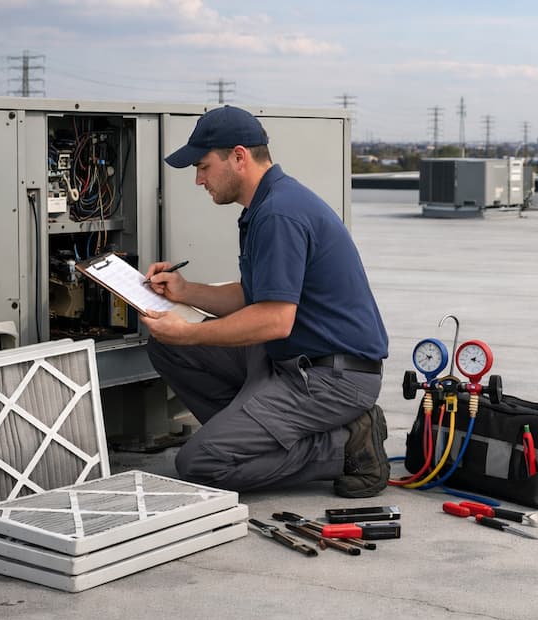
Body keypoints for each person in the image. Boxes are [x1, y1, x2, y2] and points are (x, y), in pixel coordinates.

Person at [140, 105, 390, 498]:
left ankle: (346, 446)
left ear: (238, 157)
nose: (198, 179)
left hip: (332, 379)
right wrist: (185, 292)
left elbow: (274, 320)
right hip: (292, 361)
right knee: (168, 349)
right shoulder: (269, 204)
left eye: (203, 166)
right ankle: (247, 435)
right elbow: (252, 296)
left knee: (199, 464)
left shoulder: (279, 213)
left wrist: (188, 331)